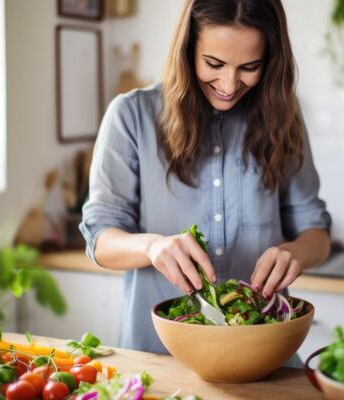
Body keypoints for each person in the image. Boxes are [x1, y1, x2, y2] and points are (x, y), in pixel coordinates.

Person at [80, 0, 331, 356]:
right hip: (160, 357)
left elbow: (316, 232)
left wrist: (295, 253)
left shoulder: (283, 117)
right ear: (187, 51)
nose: (229, 83)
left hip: (264, 355)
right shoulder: (131, 115)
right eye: (214, 64)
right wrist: (151, 247)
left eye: (249, 67)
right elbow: (100, 240)